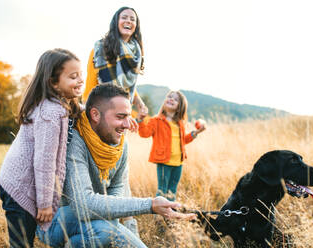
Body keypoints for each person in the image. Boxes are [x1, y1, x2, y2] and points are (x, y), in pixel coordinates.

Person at [36, 84, 195, 248]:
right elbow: (83, 206)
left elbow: (117, 187)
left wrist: (111, 214)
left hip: (94, 222)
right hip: (54, 221)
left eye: (128, 116)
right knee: (106, 230)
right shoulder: (74, 140)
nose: (128, 124)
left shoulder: (120, 144)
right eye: (120, 117)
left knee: (104, 229)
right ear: (95, 115)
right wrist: (150, 205)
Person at [0, 48, 84, 247]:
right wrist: (45, 204)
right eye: (73, 76)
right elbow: (44, 162)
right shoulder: (50, 113)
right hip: (18, 186)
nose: (80, 80)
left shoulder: (60, 103)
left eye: (81, 75)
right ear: (53, 82)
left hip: (19, 183)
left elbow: (83, 110)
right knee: (21, 244)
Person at [83, 6, 148, 130]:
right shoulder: (100, 49)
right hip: (100, 114)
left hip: (122, 116)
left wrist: (140, 104)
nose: (128, 21)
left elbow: (124, 87)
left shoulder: (136, 53)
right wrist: (87, 114)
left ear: (136, 26)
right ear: (116, 22)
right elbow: (91, 83)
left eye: (132, 19)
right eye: (124, 17)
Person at [137, 90, 206, 201]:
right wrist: (140, 120)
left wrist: (196, 132)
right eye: (169, 96)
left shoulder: (179, 123)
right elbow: (144, 133)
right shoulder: (156, 120)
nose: (171, 99)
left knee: (172, 191)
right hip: (164, 162)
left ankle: (170, 215)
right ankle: (159, 217)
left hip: (178, 162)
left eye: (175, 99)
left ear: (180, 106)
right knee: (162, 190)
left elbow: (183, 141)